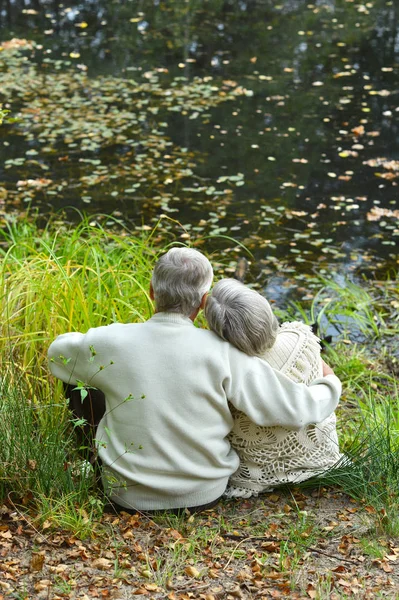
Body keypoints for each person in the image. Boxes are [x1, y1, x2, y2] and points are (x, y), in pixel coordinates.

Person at [48, 247, 342, 514]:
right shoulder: (222, 352)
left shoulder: (111, 341)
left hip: (125, 495)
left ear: (152, 291)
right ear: (203, 302)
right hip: (203, 494)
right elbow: (294, 408)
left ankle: (91, 462)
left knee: (80, 378)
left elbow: (56, 355)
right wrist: (329, 383)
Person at [204, 278, 342, 498]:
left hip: (253, 476)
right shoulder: (301, 339)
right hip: (319, 460)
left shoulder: (224, 367)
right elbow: (329, 375)